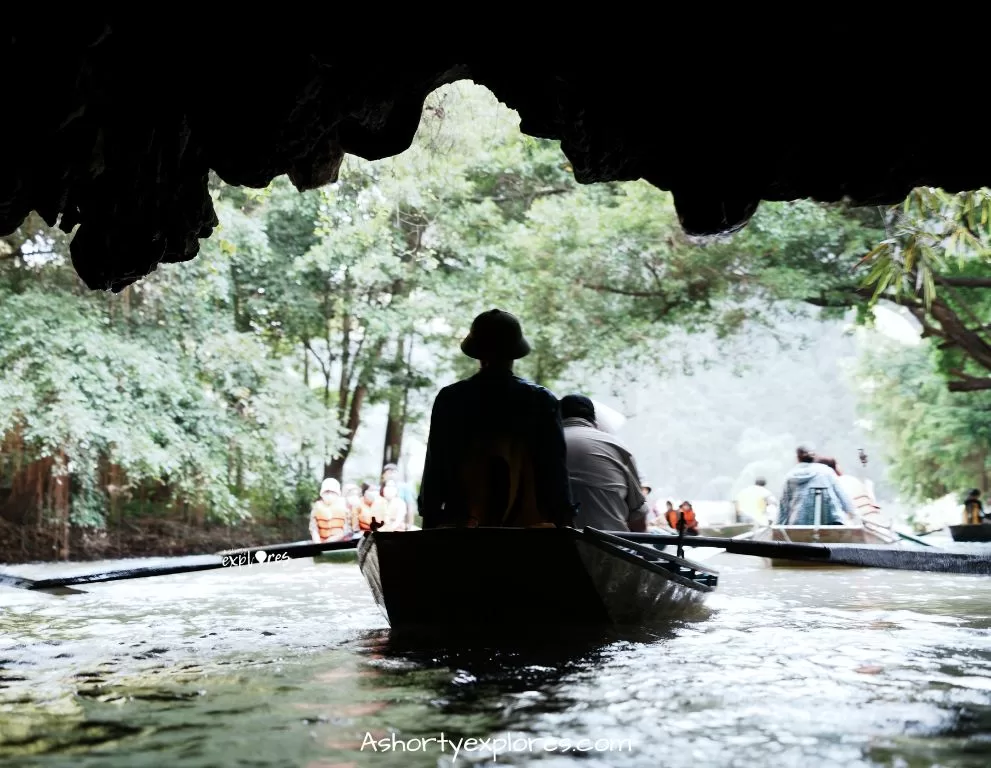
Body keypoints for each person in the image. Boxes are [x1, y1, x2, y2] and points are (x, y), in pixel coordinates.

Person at [417, 309, 574, 528]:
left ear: (478, 354)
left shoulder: (452, 399)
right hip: (527, 528)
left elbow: (437, 464)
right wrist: (563, 517)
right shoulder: (540, 400)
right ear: (514, 354)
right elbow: (554, 467)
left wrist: (430, 515)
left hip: (464, 524)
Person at [560, 394, 648, 533]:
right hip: (611, 549)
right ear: (593, 419)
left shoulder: (540, 447)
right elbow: (639, 522)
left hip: (553, 548)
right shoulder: (617, 446)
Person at [777, 445, 856, 525]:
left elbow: (784, 506)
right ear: (814, 457)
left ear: (797, 458)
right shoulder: (826, 471)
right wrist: (853, 515)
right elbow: (841, 494)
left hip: (800, 524)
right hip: (831, 521)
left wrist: (779, 526)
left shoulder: (790, 476)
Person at [309, 478, 352, 543]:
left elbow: (348, 528)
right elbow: (313, 528)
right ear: (322, 493)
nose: (329, 495)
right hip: (321, 543)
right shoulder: (317, 507)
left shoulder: (345, 506)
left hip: (340, 543)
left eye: (332, 492)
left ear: (338, 494)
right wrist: (317, 542)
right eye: (326, 492)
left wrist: (336, 538)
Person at [382, 462, 417, 527]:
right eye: (388, 472)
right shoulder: (384, 486)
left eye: (393, 472)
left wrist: (409, 524)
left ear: (397, 474)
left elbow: (410, 506)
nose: (391, 474)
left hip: (400, 521)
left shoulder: (404, 487)